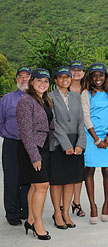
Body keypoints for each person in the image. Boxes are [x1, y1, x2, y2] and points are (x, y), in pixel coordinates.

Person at [16, 68, 53, 240]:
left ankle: (30, 219)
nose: (42, 84)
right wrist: (35, 156)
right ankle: (38, 224)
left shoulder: (45, 100)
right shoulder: (26, 101)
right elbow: (25, 132)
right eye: (39, 80)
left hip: (43, 147)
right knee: (42, 185)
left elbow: (49, 126)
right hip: (31, 148)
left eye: (46, 81)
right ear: (32, 82)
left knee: (34, 186)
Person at [49, 66, 86, 229]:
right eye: (61, 76)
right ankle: (57, 212)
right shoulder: (50, 97)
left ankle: (66, 214)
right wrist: (66, 145)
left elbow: (81, 121)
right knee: (57, 181)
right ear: (55, 80)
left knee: (71, 180)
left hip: (76, 143)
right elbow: (53, 122)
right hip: (58, 144)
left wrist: (80, 144)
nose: (65, 79)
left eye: (68, 76)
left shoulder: (76, 96)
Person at [81, 63, 108, 224]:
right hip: (91, 136)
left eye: (101, 75)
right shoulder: (85, 93)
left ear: (105, 77)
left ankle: (106, 204)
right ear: (90, 78)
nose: (98, 78)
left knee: (107, 170)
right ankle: (93, 206)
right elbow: (86, 117)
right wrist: (96, 139)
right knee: (89, 170)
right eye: (94, 75)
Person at [1, 67, 31, 226]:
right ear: (16, 79)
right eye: (21, 76)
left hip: (30, 144)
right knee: (12, 179)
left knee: (28, 179)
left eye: (27, 76)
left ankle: (25, 210)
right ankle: (12, 213)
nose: (24, 79)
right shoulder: (7, 98)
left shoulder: (36, 97)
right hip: (12, 143)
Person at [68, 60, 86, 218]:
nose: (76, 73)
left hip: (85, 133)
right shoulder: (63, 89)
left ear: (84, 73)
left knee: (79, 171)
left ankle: (77, 202)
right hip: (67, 134)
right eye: (73, 70)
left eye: (79, 70)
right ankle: (63, 204)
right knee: (67, 170)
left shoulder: (87, 90)